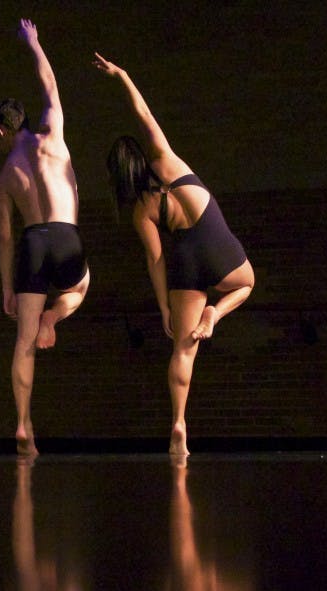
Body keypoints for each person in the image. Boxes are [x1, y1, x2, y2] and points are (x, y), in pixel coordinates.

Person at [95, 54, 255, 457]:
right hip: (213, 236)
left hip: (184, 257)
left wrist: (165, 306)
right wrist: (124, 75)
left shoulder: (140, 210)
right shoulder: (166, 160)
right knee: (247, 283)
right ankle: (217, 313)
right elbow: (143, 112)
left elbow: (156, 260)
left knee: (184, 349)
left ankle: (178, 423)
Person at [0, 19, 90, 456]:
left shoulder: (5, 175)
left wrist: (8, 287)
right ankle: (54, 317)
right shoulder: (53, 134)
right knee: (81, 286)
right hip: (66, 236)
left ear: (0, 132)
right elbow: (49, 82)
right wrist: (34, 43)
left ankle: (24, 425)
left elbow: (6, 239)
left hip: (31, 245)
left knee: (23, 341)